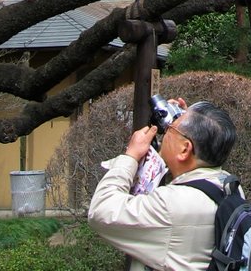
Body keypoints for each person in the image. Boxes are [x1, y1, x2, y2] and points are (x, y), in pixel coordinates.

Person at [88, 98, 237, 271]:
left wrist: (130, 157)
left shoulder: (170, 205)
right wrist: (193, 125)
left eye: (170, 129)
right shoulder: (229, 186)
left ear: (185, 149)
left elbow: (101, 211)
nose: (165, 131)